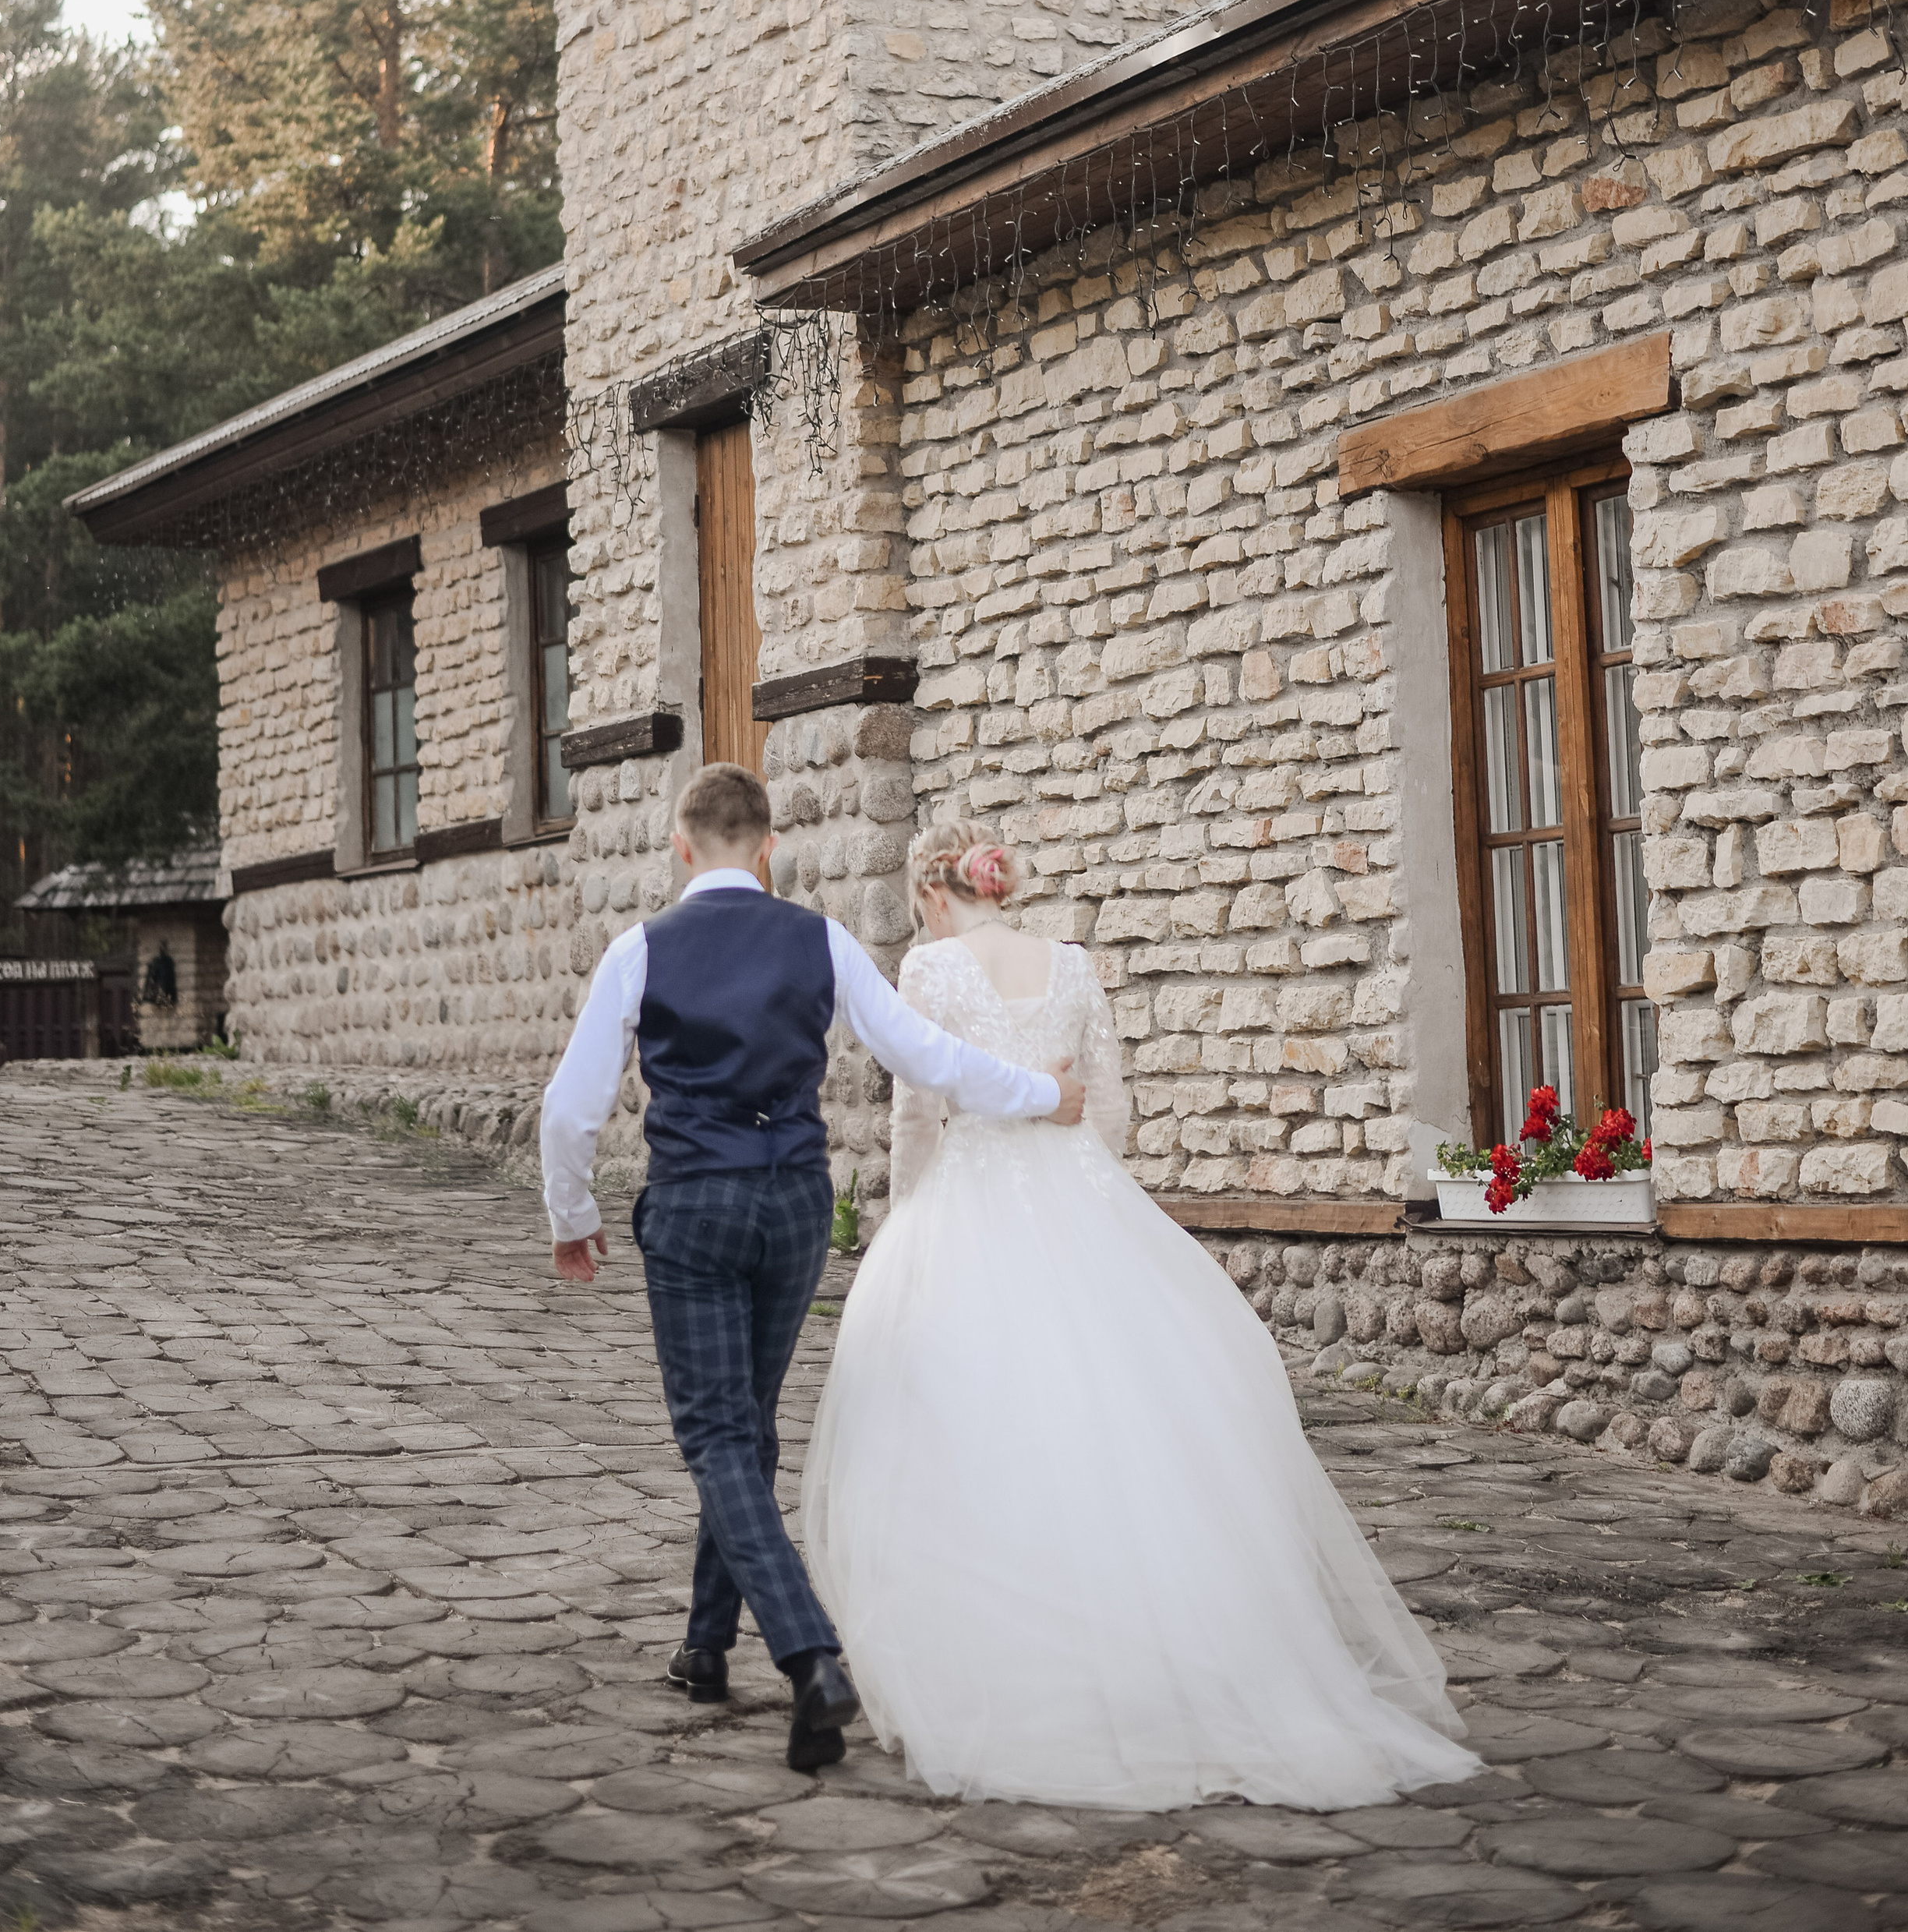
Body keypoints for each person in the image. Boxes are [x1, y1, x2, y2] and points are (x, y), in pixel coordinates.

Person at [799, 824, 1479, 1811]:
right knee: (1120, 1420)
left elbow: (916, 1112)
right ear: (997, 882)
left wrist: (907, 1222)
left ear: (934, 894)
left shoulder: (931, 967)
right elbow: (1110, 1108)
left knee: (971, 1419)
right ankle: (1165, 1644)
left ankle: (1007, 1658)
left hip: (972, 1193)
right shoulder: (1072, 966)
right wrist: (1088, 1193)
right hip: (1080, 1196)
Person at [537, 761, 1086, 1774]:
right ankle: (705, 1645)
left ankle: (810, 1654)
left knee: (717, 1435)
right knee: (745, 1424)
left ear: (681, 845)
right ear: (771, 847)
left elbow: (570, 1108)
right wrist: (1039, 1094)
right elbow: (924, 1055)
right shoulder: (820, 939)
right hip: (793, 1204)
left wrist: (572, 1216)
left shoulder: (640, 948)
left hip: (694, 1206)